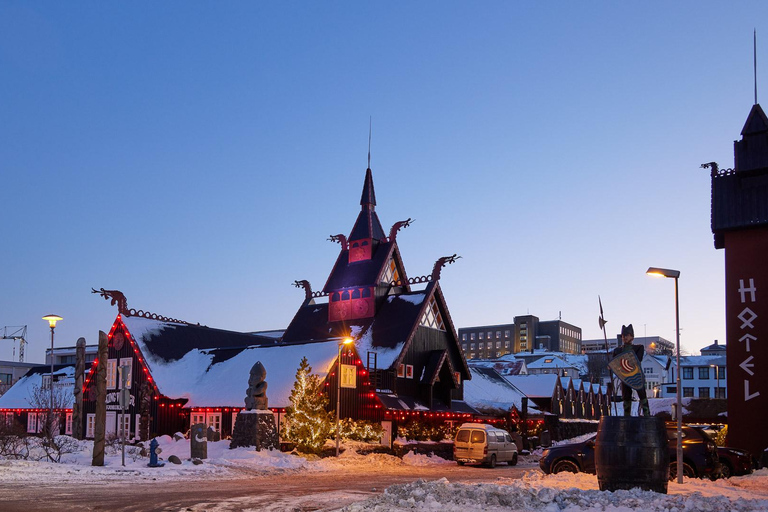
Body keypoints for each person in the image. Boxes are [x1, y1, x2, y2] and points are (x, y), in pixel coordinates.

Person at [612, 324, 651, 417]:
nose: (625, 337)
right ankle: (626, 415)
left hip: (636, 374)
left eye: (627, 335)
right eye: (623, 336)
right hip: (624, 376)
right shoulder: (617, 350)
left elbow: (637, 360)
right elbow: (615, 363)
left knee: (642, 395)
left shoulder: (638, 348)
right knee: (626, 397)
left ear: (632, 337)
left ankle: (646, 414)